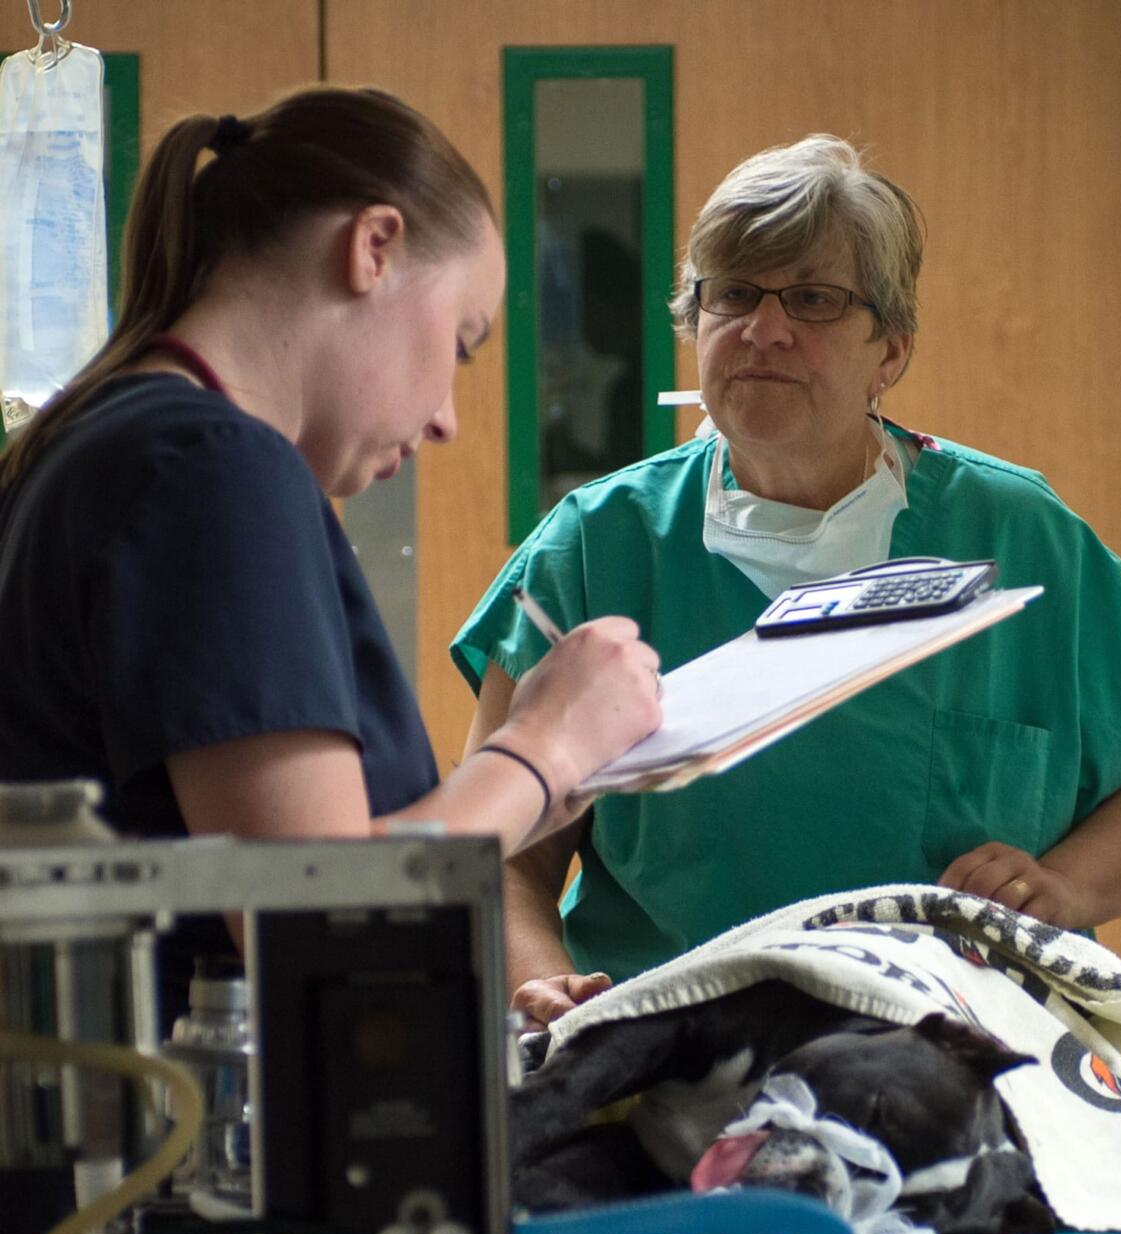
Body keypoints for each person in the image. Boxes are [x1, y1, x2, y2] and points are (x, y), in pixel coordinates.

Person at [452, 135, 1121, 1234]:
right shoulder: (591, 553)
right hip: (686, 1116)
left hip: (964, 1108)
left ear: (891, 349)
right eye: (729, 295)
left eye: (811, 299)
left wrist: (1057, 879)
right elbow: (505, 849)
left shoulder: (1015, 539)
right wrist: (531, 982)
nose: (761, 328)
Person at [0, 86, 662, 1013]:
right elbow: (311, 918)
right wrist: (543, 746)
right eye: (462, 345)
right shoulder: (213, 467)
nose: (445, 418)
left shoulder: (112, 439)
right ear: (374, 248)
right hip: (175, 1138)